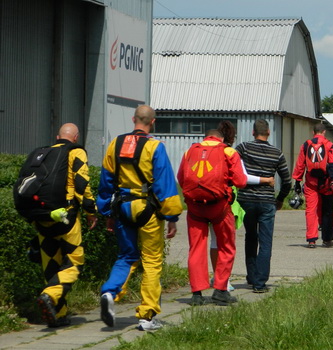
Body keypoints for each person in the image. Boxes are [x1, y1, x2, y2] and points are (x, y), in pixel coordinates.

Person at [97, 105, 183, 331]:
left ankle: (109, 291)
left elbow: (106, 181)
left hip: (123, 207)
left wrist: (107, 213)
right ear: (152, 122)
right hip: (148, 210)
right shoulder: (155, 146)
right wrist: (172, 216)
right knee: (152, 261)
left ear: (133, 119)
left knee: (126, 256)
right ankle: (147, 316)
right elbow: (165, 184)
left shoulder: (115, 144)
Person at [178, 129, 261, 306]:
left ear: (206, 137)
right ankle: (221, 289)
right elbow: (240, 181)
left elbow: (181, 178)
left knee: (196, 248)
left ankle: (196, 294)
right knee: (226, 247)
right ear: (220, 138)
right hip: (219, 207)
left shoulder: (189, 151)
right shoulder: (228, 151)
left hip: (195, 208)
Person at [29, 123, 98, 328]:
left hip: (44, 217)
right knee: (74, 263)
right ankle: (49, 295)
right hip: (66, 219)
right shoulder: (75, 151)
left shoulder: (44, 153)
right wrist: (91, 212)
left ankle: (58, 314)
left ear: (58, 136)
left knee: (51, 265)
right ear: (75, 138)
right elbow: (81, 183)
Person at [235, 119, 291, 293]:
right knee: (265, 242)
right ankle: (260, 283)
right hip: (267, 202)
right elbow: (287, 181)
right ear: (268, 132)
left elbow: (233, 166)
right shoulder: (277, 153)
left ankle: (251, 277)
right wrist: (280, 199)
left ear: (253, 132)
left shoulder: (243, 148)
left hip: (246, 201)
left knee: (251, 237)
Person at [292, 123, 333, 248]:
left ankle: (311, 239)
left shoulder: (306, 145)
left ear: (313, 132)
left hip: (311, 182)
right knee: (327, 211)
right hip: (326, 182)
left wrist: (297, 181)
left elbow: (300, 164)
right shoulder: (329, 144)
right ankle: (327, 239)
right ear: (324, 132)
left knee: (311, 210)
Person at [208, 121, 240, 292]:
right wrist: (264, 180)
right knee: (226, 242)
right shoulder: (229, 152)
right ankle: (224, 280)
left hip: (205, 200)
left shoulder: (204, 151)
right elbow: (241, 179)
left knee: (214, 241)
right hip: (226, 201)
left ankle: (215, 276)